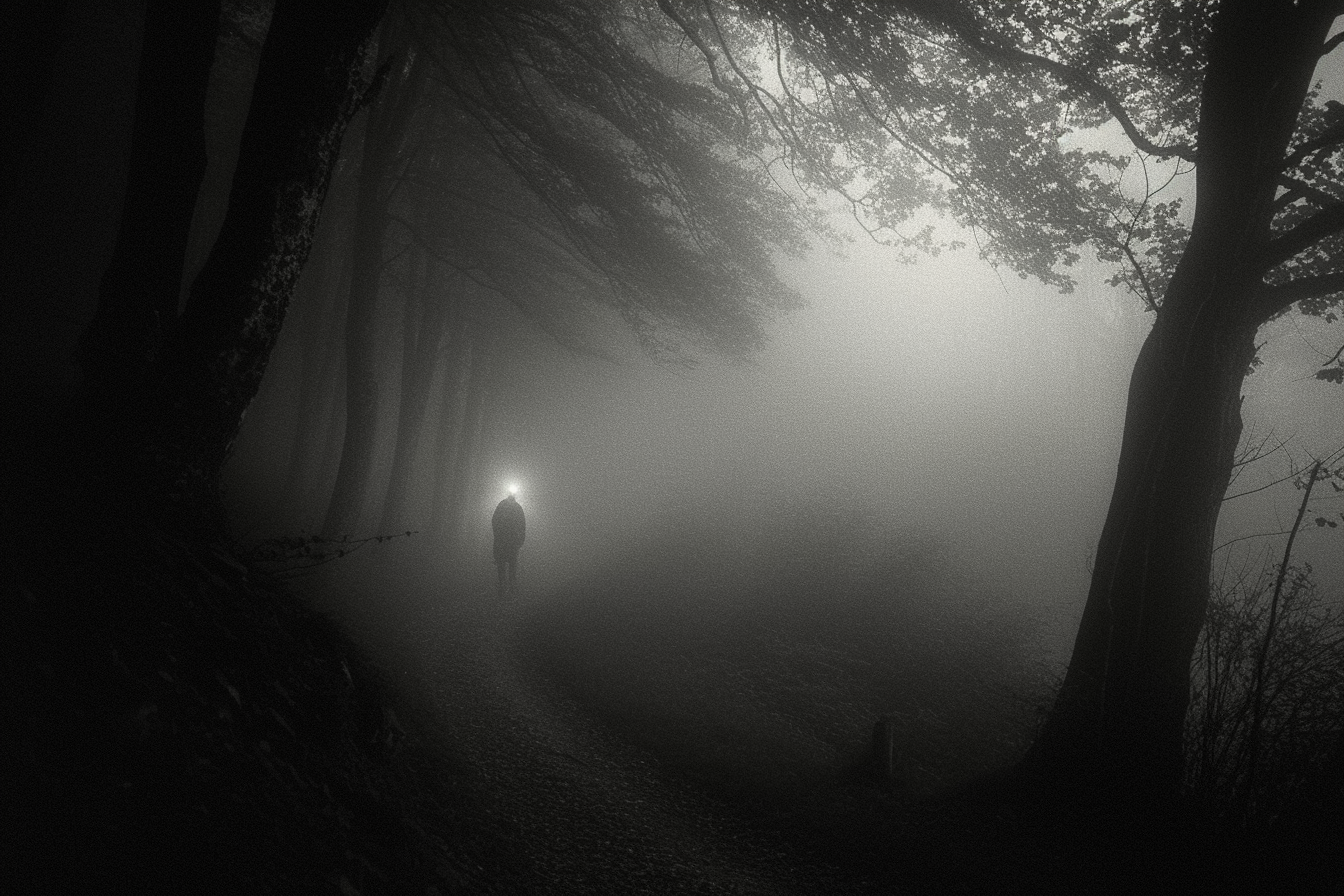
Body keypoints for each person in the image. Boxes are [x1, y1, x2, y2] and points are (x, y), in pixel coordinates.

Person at [491, 492, 526, 596]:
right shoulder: (517, 507)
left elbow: (494, 520)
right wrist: (521, 540)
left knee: (502, 565)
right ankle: (511, 589)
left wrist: (497, 535)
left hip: (503, 540)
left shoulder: (502, 505)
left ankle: (504, 588)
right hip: (512, 541)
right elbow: (522, 525)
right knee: (512, 566)